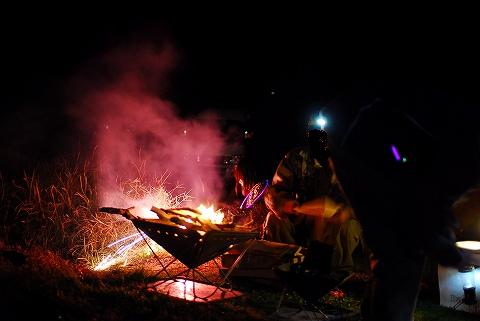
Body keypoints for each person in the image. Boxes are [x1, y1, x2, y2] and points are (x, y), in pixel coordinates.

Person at [334, 99, 476, 321]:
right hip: (364, 157)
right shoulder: (452, 159)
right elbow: (416, 212)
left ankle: (378, 312)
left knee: (395, 251)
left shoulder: (450, 160)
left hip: (374, 151)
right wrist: (447, 251)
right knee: (398, 255)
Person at [263, 129, 364, 275]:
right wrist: (283, 203)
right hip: (303, 215)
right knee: (274, 220)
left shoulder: (347, 161)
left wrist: (344, 210)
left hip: (337, 216)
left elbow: (359, 198)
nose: (321, 143)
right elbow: (275, 190)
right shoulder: (296, 158)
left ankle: (337, 274)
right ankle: (287, 268)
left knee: (347, 226)